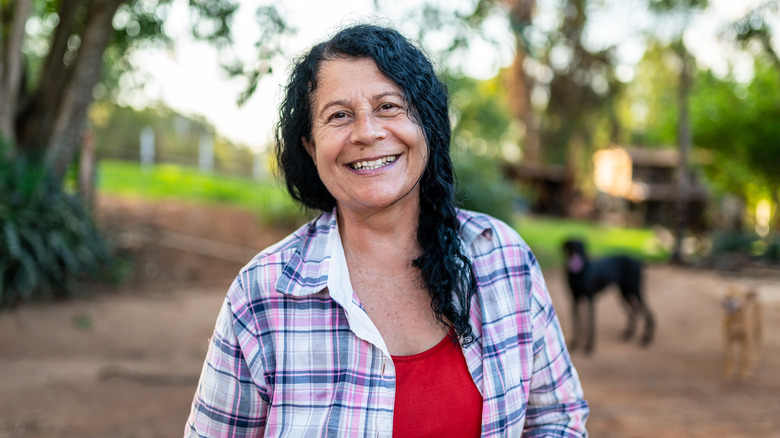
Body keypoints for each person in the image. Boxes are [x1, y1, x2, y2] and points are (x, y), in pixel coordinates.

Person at [185, 23, 589, 437]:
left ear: (426, 125)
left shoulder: (502, 257)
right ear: (310, 145)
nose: (368, 132)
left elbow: (558, 419)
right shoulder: (261, 295)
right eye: (339, 115)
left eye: (389, 107)